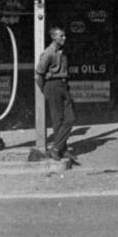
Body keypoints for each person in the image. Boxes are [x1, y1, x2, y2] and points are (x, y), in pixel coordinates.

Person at [36, 26, 76, 161]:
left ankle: (58, 148)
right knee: (57, 119)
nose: (64, 38)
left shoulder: (61, 51)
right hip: (53, 85)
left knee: (70, 118)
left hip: (64, 85)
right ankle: (60, 149)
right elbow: (39, 74)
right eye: (61, 36)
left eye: (64, 36)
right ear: (53, 37)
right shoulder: (49, 53)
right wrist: (45, 89)